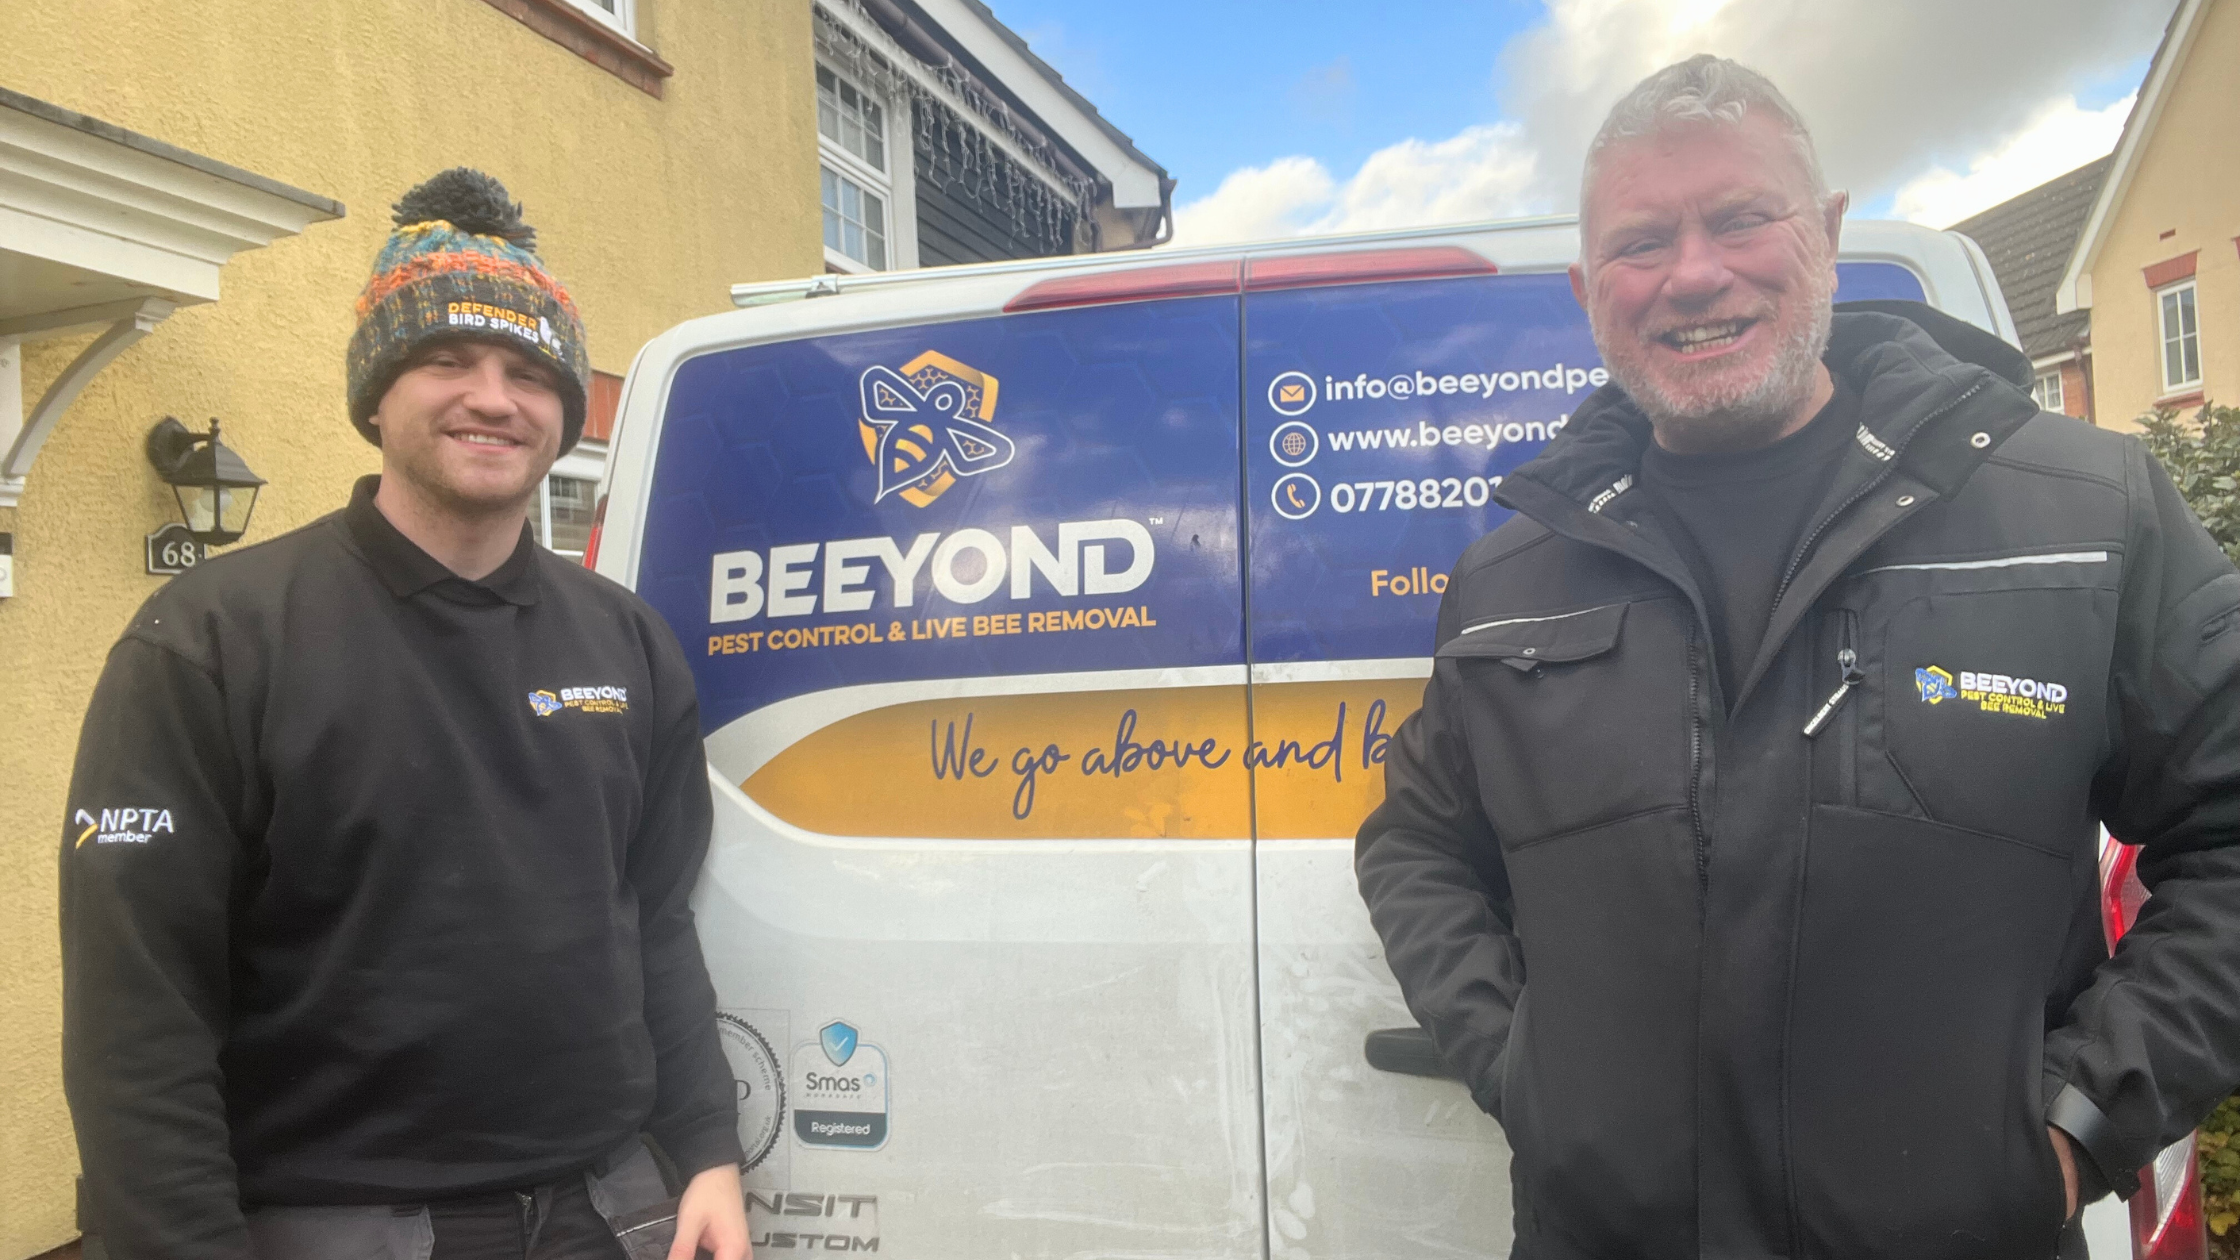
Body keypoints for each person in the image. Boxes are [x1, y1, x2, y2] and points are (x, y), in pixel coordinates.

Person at [1357, 55, 2240, 1260]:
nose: (1693, 273)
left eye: (1737, 218)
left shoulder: (2081, 518)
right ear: (1584, 287)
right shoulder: (1511, 580)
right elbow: (1414, 841)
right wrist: (1520, 1064)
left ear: (1821, 233)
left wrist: (2081, 1122)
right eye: (1640, 241)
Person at [61, 169, 750, 1260]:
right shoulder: (213, 640)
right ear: (375, 395)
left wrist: (704, 1146)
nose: (493, 396)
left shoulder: (624, 643)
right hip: (330, 1226)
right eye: (446, 361)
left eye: (530, 372)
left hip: (604, 1213)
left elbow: (654, 920)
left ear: (565, 412)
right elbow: (138, 1014)